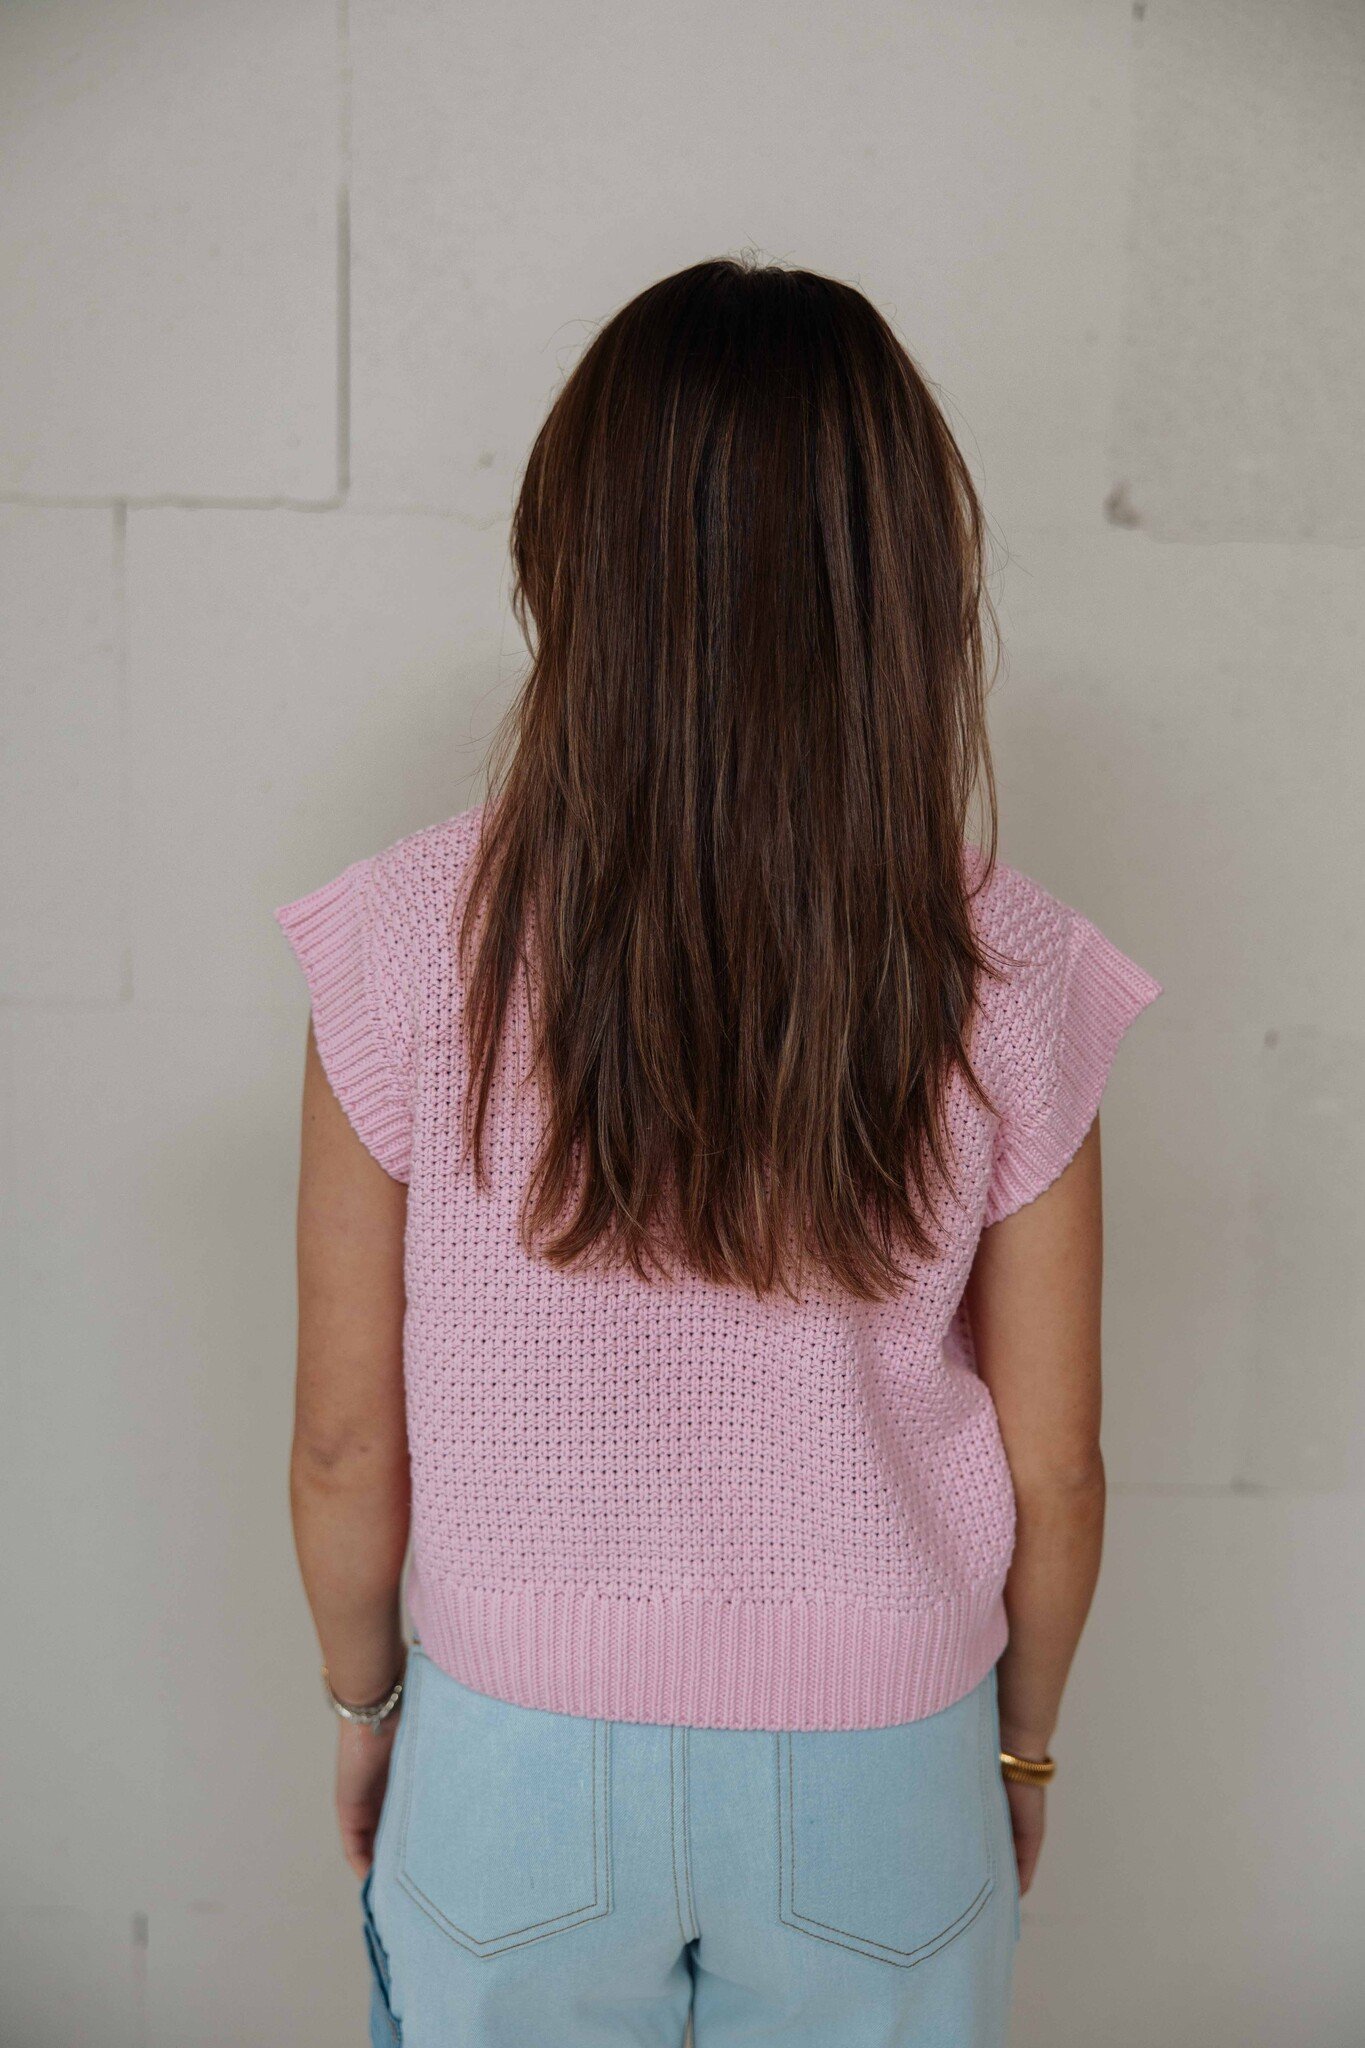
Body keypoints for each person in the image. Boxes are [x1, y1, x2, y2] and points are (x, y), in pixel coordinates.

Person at [275, 256, 1161, 2048]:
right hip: (884, 1766)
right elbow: (1057, 1471)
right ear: (907, 583)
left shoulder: (399, 940)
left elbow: (345, 1441)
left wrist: (368, 1715)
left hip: (508, 1754)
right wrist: (1020, 1750)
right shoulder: (1005, 968)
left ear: (564, 551)